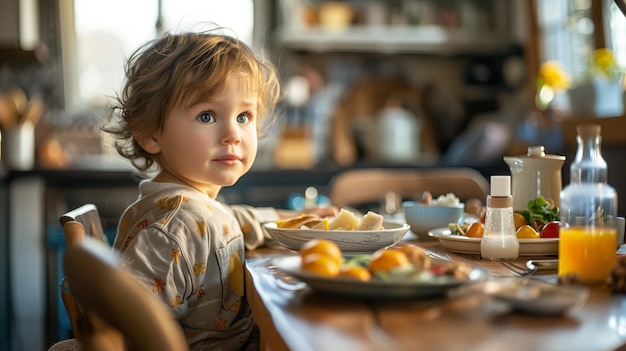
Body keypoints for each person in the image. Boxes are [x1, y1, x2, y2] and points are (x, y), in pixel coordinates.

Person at [103, 29, 336, 350]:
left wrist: (294, 219)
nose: (232, 134)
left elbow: (230, 220)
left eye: (244, 116)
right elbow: (131, 327)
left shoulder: (190, 207)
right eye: (207, 115)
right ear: (150, 134)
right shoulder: (176, 227)